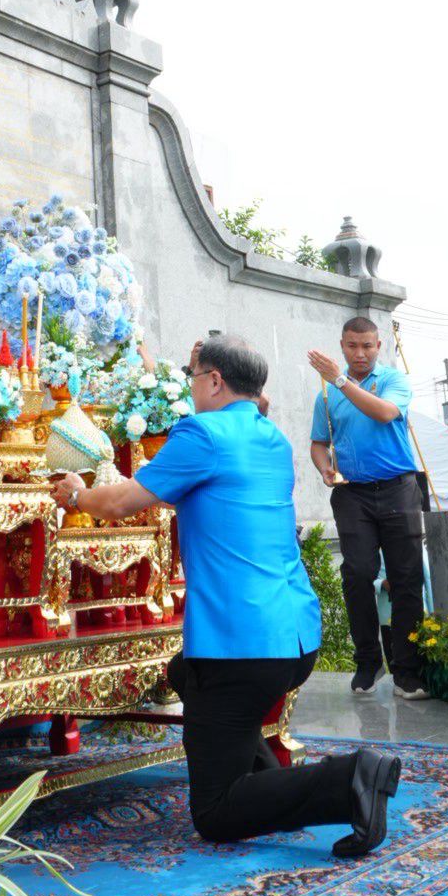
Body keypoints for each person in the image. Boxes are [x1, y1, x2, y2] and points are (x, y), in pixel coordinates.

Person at [50, 333, 401, 856]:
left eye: (194, 377)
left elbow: (122, 502)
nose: (191, 388)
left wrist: (76, 493)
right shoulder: (273, 438)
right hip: (296, 636)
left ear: (214, 380)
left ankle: (349, 778)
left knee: (215, 811)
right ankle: (262, 762)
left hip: (242, 645)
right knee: (184, 674)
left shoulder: (203, 434)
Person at [308, 318, 429, 700]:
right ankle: (368, 659)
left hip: (398, 488)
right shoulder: (327, 395)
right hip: (353, 494)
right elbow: (318, 442)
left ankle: (408, 670)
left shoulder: (394, 380)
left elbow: (384, 413)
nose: (360, 354)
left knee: (406, 576)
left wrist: (340, 380)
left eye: (367, 346)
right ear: (342, 345)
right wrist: (324, 466)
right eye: (352, 346)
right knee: (357, 572)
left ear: (379, 346)